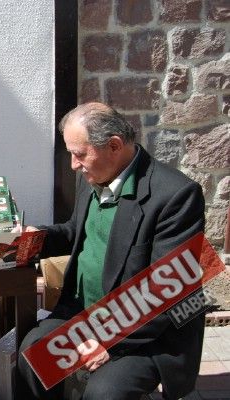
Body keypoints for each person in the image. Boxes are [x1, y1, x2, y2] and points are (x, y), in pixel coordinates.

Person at [18, 102, 205, 400]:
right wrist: (34, 239)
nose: (73, 165)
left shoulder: (177, 195)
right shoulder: (95, 175)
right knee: (33, 357)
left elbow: (169, 288)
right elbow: (75, 231)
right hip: (82, 313)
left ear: (114, 146)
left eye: (79, 154)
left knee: (105, 393)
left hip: (143, 333)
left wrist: (108, 340)